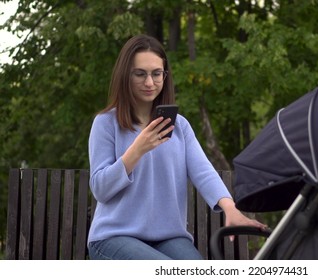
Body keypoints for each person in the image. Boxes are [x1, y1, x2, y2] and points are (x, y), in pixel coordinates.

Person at [87, 34, 266, 260]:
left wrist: (230, 209)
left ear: (165, 75)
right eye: (140, 74)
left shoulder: (179, 126)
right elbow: (100, 188)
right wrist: (137, 150)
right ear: (125, 76)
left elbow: (203, 171)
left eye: (156, 74)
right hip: (113, 237)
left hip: (168, 237)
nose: (150, 82)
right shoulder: (106, 123)